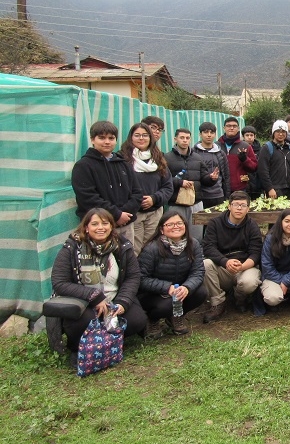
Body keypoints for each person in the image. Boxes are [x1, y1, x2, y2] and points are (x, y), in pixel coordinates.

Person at [51, 208, 147, 367]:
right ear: (86, 227)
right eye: (94, 224)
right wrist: (94, 297)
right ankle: (78, 347)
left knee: (137, 320)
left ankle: (106, 342)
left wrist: (123, 302)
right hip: (84, 301)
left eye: (105, 223)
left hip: (114, 298)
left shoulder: (122, 245)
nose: (100, 227)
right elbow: (60, 282)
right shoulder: (72, 247)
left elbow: (133, 276)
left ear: (111, 226)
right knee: (83, 322)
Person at [71, 121, 143, 245]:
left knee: (127, 259)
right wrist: (116, 215)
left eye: (111, 138)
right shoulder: (83, 166)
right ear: (92, 139)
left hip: (126, 224)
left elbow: (137, 192)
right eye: (102, 138)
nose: (107, 142)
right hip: (99, 227)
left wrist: (123, 215)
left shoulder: (123, 164)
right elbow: (88, 198)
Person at [137, 211, 207, 337]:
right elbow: (141, 278)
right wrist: (166, 287)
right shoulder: (152, 249)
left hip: (179, 289)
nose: (176, 227)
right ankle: (152, 319)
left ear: (185, 226)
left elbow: (198, 272)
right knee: (167, 305)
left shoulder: (193, 244)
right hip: (153, 294)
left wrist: (187, 287)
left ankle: (176, 316)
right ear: (162, 230)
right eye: (170, 224)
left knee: (200, 293)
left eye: (179, 223)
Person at [201, 192, 263, 323]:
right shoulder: (215, 223)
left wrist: (243, 266)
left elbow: (256, 252)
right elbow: (208, 248)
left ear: (248, 208)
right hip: (223, 266)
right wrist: (225, 261)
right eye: (236, 205)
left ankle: (240, 298)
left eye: (243, 205)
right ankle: (218, 303)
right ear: (229, 206)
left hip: (245, 266)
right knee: (206, 264)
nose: (239, 208)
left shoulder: (252, 226)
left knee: (249, 282)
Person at [119, 123, 173, 254]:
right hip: (133, 214)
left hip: (154, 213)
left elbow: (168, 186)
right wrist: (134, 202)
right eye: (137, 135)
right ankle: (136, 274)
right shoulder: (122, 159)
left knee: (152, 248)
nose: (141, 138)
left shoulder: (158, 159)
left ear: (150, 138)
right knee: (134, 250)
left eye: (145, 135)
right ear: (131, 138)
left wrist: (154, 199)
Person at [165, 128, 213, 241]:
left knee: (196, 238)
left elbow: (204, 179)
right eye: (182, 138)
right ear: (175, 139)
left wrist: (211, 178)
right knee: (175, 236)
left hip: (196, 203)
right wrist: (180, 182)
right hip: (176, 203)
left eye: (187, 138)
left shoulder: (197, 158)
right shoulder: (167, 158)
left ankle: (195, 258)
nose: (185, 140)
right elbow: (163, 179)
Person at [257, 120, 290, 199]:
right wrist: (269, 188)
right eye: (278, 131)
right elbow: (262, 170)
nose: (281, 134)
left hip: (289, 188)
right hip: (274, 189)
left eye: (283, 131)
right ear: (273, 133)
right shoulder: (267, 148)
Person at [195, 121, 230, 209]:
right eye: (206, 132)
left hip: (218, 195)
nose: (209, 135)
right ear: (200, 134)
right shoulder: (194, 152)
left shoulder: (221, 153)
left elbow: (226, 176)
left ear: (215, 134)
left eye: (212, 132)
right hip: (200, 197)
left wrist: (227, 195)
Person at [219, 117, 258, 193]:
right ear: (224, 128)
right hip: (220, 189)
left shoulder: (245, 146)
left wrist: (245, 159)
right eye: (228, 126)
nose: (231, 128)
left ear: (238, 128)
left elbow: (254, 167)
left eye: (234, 126)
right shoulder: (216, 146)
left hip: (239, 188)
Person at [241, 125, 263, 198]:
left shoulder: (261, 149)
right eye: (247, 135)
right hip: (244, 181)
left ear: (255, 136)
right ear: (243, 136)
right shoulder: (239, 149)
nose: (249, 137)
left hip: (258, 182)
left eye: (251, 135)